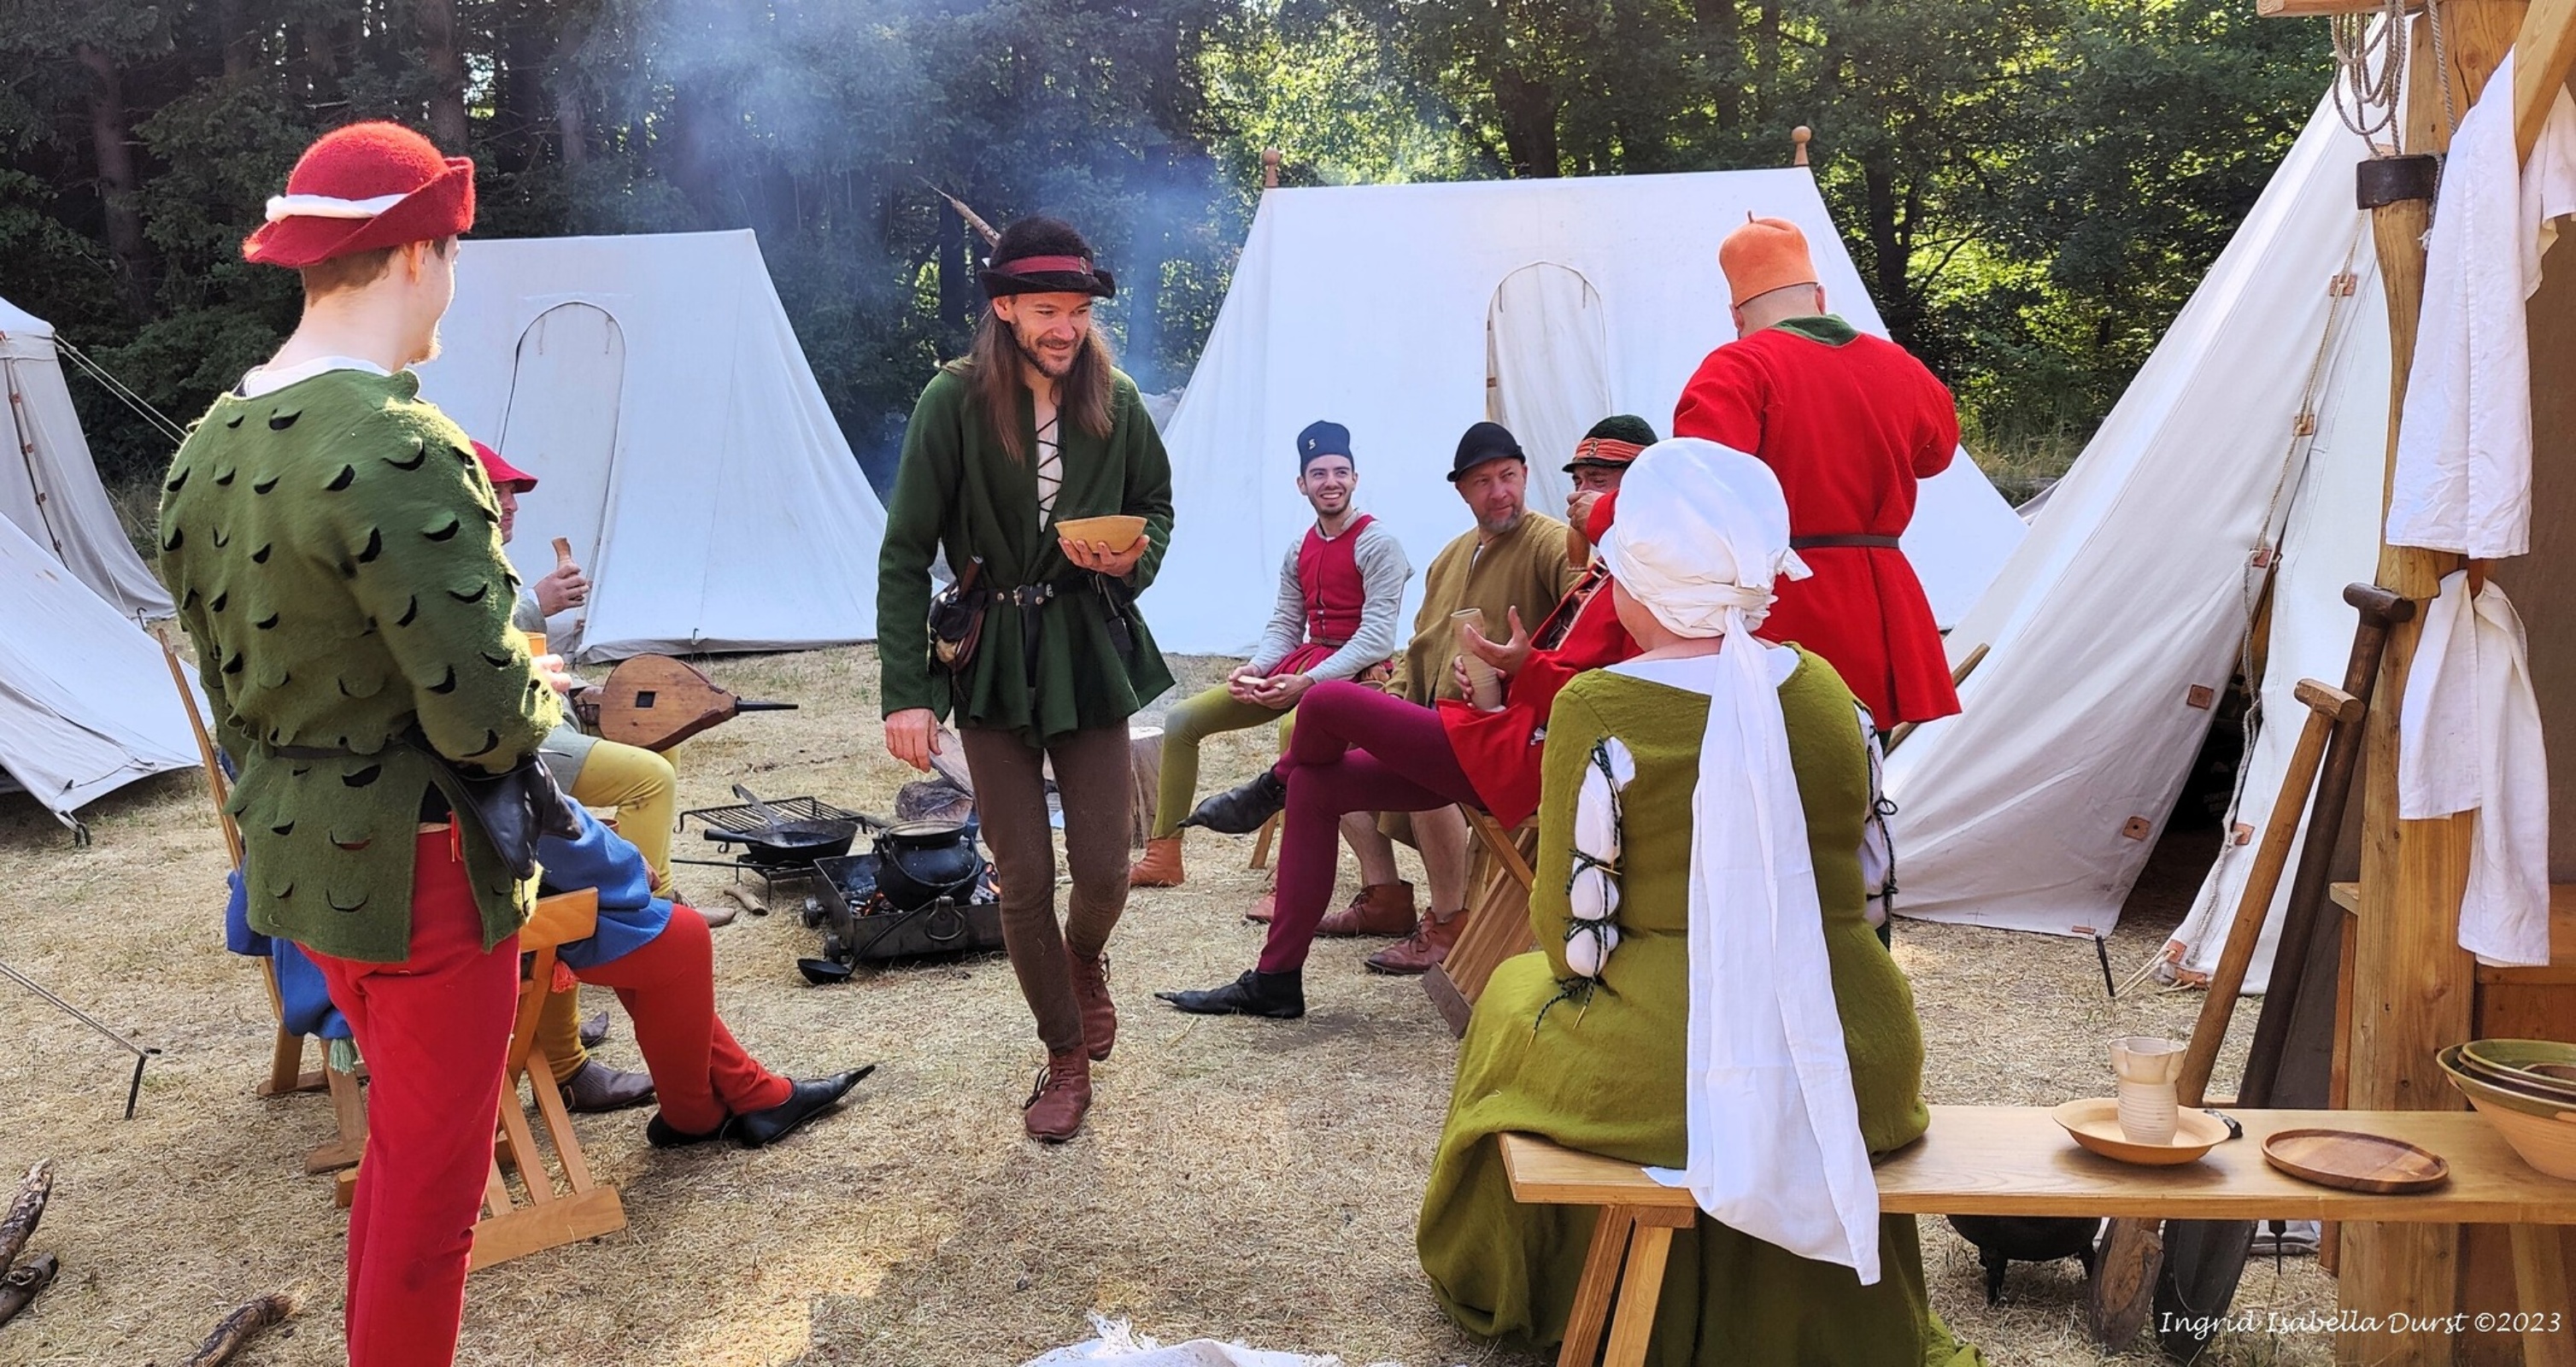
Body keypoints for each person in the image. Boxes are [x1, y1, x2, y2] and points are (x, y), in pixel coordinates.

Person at [1412, 440, 1980, 1366]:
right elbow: (1875, 896)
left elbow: (1573, 942)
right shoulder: (1829, 691)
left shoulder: (1600, 706)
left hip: (1670, 1080)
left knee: (1514, 997)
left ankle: (1551, 1287)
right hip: (1854, 1057)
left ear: (1640, 584)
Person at [157, 120, 552, 1366]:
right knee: (437, 1200)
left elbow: (234, 687)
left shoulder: (206, 444)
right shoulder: (400, 441)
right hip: (421, 870)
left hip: (301, 858)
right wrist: (543, 695)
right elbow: (487, 719)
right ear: (420, 255)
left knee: (405, 1156)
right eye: (454, 254)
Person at [1159, 420, 1645, 1017]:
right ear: (1462, 491)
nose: (1582, 496)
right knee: (1315, 785)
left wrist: (1519, 673)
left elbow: (1599, 691)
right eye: (1483, 482)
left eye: (1602, 483)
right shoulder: (1471, 558)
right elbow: (1419, 649)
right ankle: (1276, 979)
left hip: (1516, 755)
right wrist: (1459, 687)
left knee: (1324, 702)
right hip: (1468, 734)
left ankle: (1267, 789)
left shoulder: (1626, 575)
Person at [877, 215, 1174, 1144]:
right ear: (1004, 309)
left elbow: (1156, 507)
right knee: (1023, 880)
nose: (1065, 328)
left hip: (1086, 646)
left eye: (1078, 310)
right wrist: (906, 691)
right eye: (1047, 309)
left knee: (1105, 867)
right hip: (993, 656)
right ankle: (1065, 1055)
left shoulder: (1117, 398)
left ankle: (1082, 958)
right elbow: (904, 552)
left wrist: (1133, 558)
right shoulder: (953, 399)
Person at [1667, 216, 1963, 729]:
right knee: (1869, 767)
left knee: (1790, 763)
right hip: (1885, 602)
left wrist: (1603, 515)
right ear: (1820, 297)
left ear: (1736, 315)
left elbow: (1699, 486)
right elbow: (1934, 458)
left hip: (1790, 604)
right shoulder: (1903, 367)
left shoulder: (1738, 367)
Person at [468, 440, 677, 1113]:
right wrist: (537, 601)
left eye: (513, 493)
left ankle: (631, 915)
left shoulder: (479, 557)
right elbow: (470, 651)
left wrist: (572, 683)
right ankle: (642, 917)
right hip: (508, 756)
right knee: (640, 787)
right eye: (497, 490)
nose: (509, 504)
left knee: (657, 746)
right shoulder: (454, 563)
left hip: (522, 741)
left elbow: (512, 658)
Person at [1128, 419, 1411, 891]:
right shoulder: (1300, 548)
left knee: (1294, 729)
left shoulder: (1379, 543)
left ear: (1355, 479)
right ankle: (1164, 856)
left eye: (1340, 472)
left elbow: (1378, 638)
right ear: (1302, 484)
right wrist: (1257, 668)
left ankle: (1296, 881)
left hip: (1362, 675)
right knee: (1182, 720)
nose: (1331, 482)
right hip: (1306, 666)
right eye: (1319, 474)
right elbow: (1285, 625)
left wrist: (1309, 682)